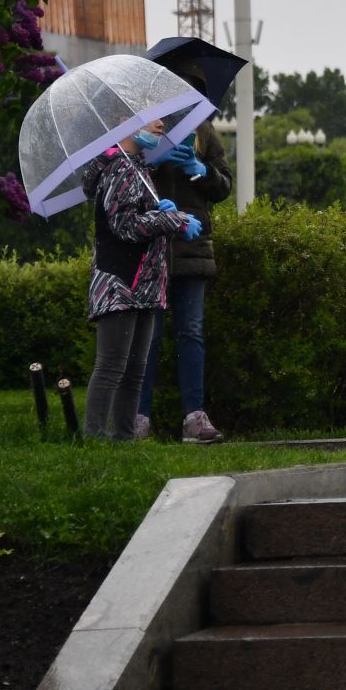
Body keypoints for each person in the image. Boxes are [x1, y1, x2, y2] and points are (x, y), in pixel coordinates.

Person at [82, 118, 200, 441]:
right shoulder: (119, 167)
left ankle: (123, 439)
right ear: (125, 122)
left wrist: (165, 211)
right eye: (152, 116)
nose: (161, 123)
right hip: (120, 283)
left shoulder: (138, 167)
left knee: (136, 371)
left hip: (145, 286)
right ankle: (93, 440)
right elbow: (125, 225)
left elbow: (140, 216)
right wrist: (172, 218)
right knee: (111, 367)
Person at [135, 64, 232, 444]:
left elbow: (223, 185)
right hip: (151, 246)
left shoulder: (205, 132)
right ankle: (138, 418)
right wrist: (150, 161)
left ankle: (194, 418)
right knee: (148, 337)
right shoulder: (144, 127)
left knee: (191, 332)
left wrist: (198, 169)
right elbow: (122, 178)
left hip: (193, 247)